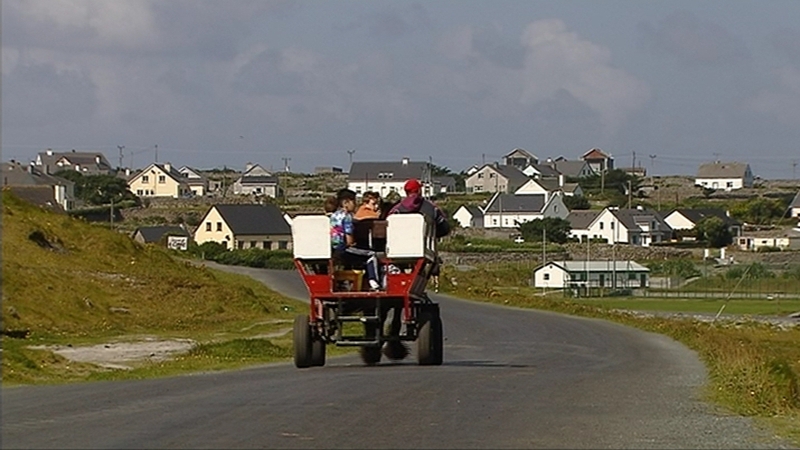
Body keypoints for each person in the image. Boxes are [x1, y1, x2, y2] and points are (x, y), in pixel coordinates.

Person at [330, 188, 381, 291]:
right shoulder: (347, 216)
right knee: (372, 255)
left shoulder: (334, 215)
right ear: (345, 202)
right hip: (345, 249)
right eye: (353, 201)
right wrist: (353, 243)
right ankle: (373, 282)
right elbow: (349, 240)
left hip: (334, 249)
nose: (355, 204)